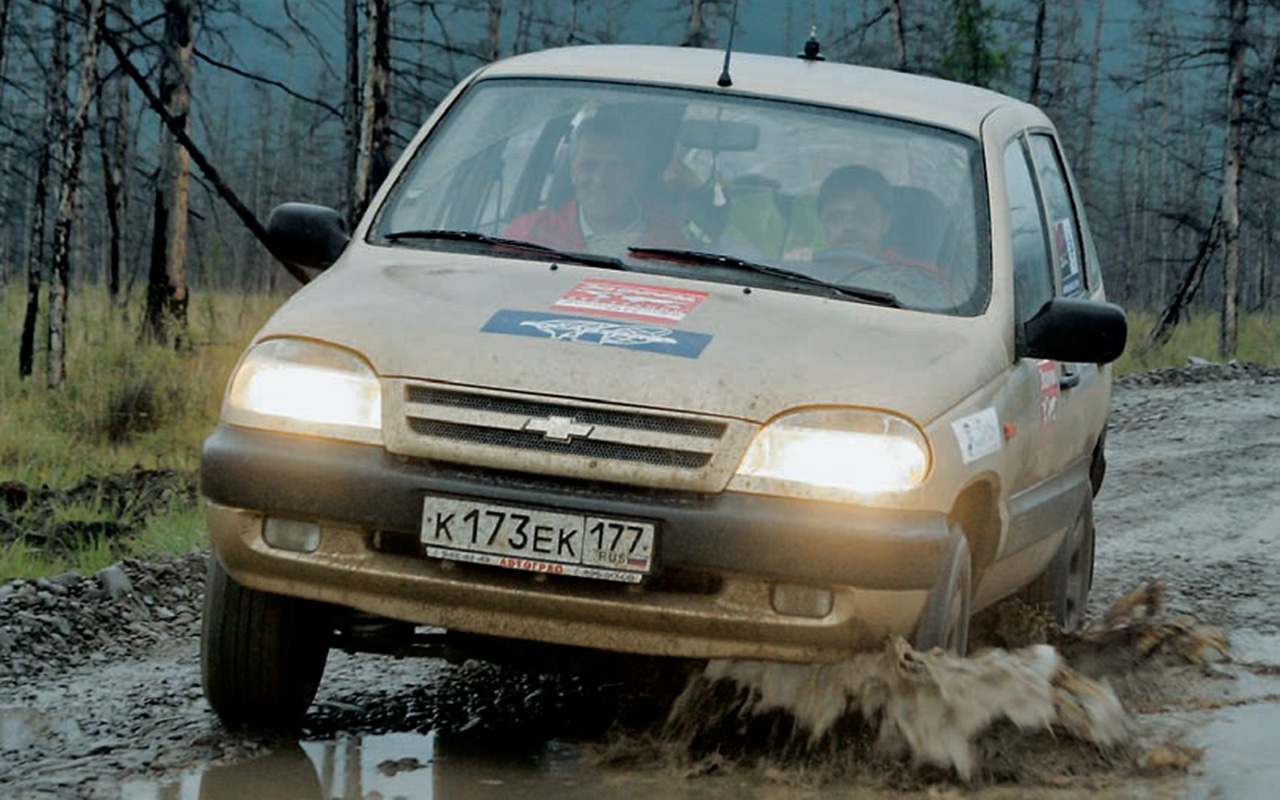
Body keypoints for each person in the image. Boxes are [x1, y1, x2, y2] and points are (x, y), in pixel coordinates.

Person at [505, 114, 682, 256]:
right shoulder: (530, 234)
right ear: (572, 172)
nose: (600, 180)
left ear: (636, 173)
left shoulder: (670, 243)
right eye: (589, 165)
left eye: (615, 167)